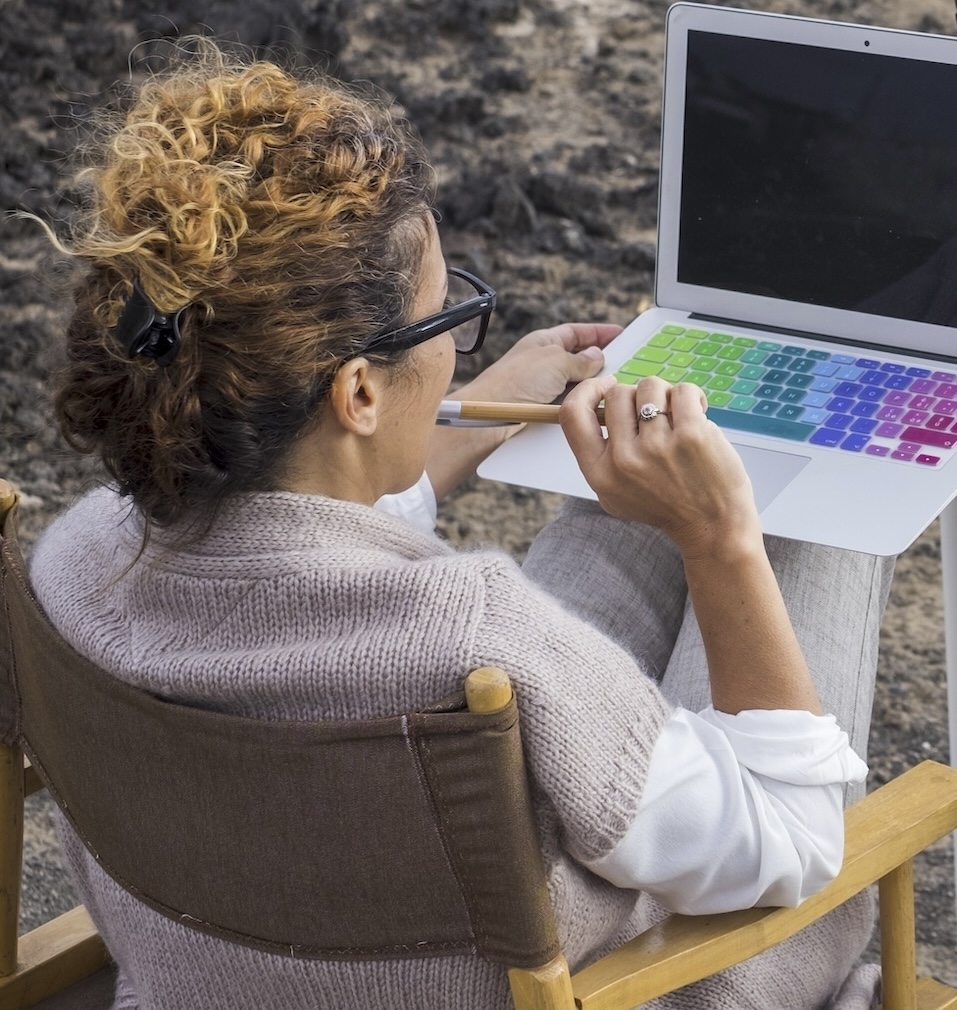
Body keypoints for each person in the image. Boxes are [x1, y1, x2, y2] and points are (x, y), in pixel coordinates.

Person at [27, 39, 894, 1010]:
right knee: (820, 518)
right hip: (614, 985)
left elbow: (285, 549)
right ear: (356, 389)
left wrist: (467, 409)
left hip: (232, 967)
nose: (453, 346)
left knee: (639, 514)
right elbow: (793, 837)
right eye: (446, 319)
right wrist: (724, 541)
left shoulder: (72, 569)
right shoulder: (477, 636)